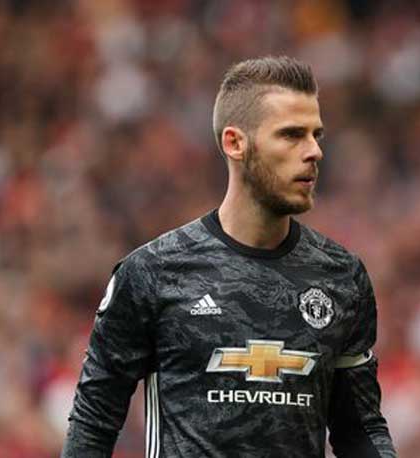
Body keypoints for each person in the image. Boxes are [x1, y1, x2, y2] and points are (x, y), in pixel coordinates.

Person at [61, 56, 397, 458]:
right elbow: (92, 424)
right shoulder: (153, 272)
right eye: (292, 135)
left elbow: (360, 431)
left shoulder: (341, 277)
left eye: (316, 135)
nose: (314, 151)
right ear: (235, 143)